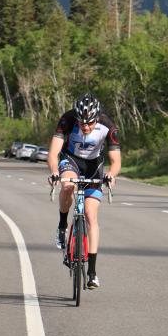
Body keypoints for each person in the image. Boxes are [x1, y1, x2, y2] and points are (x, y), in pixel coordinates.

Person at [47, 92, 121, 289]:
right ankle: (63, 225)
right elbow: (54, 153)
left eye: (89, 123)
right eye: (82, 123)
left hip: (94, 166)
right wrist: (54, 171)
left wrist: (111, 174)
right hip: (71, 160)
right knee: (68, 184)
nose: (85, 127)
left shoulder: (108, 126)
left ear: (97, 118)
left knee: (90, 215)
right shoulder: (67, 119)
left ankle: (92, 272)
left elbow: (116, 161)